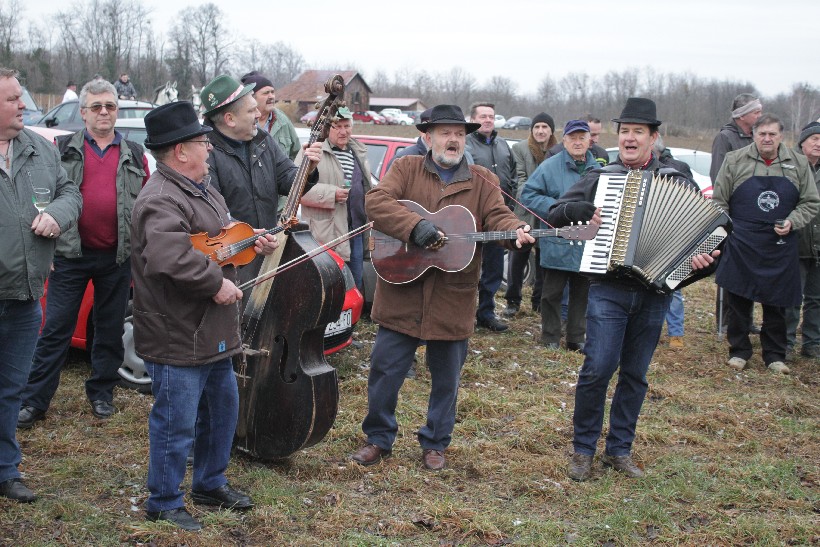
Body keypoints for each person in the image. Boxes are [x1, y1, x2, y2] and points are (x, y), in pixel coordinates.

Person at [350, 104, 534, 471]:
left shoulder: (483, 180)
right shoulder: (405, 168)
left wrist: (515, 232)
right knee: (385, 372)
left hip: (453, 296)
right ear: (427, 137)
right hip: (402, 289)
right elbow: (376, 201)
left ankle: (435, 442)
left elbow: (498, 216)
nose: (453, 140)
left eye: (459, 134)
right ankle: (378, 438)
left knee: (446, 379)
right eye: (445, 132)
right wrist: (414, 226)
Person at [547, 98, 718, 481]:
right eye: (624, 131)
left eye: (638, 132)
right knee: (598, 368)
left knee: (636, 375)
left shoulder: (677, 179)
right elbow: (557, 212)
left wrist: (701, 263)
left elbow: (706, 241)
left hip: (655, 293)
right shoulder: (600, 177)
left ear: (653, 138)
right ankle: (583, 450)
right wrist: (581, 212)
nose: (629, 138)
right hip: (608, 287)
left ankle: (619, 450)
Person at [132, 101, 282, 531]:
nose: (209, 149)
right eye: (202, 142)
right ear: (181, 151)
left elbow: (219, 238)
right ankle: (163, 500)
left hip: (213, 330)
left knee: (222, 411)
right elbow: (170, 258)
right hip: (177, 332)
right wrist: (215, 285)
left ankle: (209, 483)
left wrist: (253, 240)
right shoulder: (160, 198)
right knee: (175, 421)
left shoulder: (203, 188)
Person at [18, 79, 150, 429]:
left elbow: (147, 206)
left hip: (117, 258)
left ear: (116, 110)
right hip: (70, 255)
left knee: (108, 332)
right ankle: (35, 401)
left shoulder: (135, 154)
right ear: (84, 112)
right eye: (96, 107)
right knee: (56, 329)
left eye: (109, 106)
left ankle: (102, 393)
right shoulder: (62, 149)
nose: (104, 112)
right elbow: (43, 196)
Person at [0, 67, 82, 502]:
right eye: (13, 99)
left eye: (21, 98)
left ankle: (5, 469)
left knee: (11, 388)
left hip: (26, 295)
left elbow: (71, 192)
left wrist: (60, 215)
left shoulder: (39, 148)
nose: (24, 107)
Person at [713, 114, 820, 374]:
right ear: (754, 135)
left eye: (772, 134)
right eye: (762, 134)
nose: (767, 138)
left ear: (781, 136)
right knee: (738, 300)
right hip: (742, 242)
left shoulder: (797, 163)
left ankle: (775, 355)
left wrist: (793, 222)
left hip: (780, 245)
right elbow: (718, 201)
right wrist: (729, 232)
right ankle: (739, 351)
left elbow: (810, 202)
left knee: (777, 304)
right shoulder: (735, 160)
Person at [200, 74, 322, 284]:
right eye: (251, 110)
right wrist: (252, 239)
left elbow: (289, 182)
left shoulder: (264, 141)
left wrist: (307, 170)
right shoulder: (205, 154)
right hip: (229, 267)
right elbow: (212, 216)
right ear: (230, 119)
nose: (259, 114)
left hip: (267, 258)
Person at [521, 120, 598, 351]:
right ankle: (550, 336)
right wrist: (558, 208)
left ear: (589, 141)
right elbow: (528, 195)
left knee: (581, 292)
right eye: (572, 138)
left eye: (581, 138)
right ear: (564, 141)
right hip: (557, 239)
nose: (577, 142)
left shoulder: (598, 170)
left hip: (586, 241)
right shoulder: (549, 166)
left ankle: (576, 337)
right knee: (551, 293)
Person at [298, 107, 371, 292]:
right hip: (325, 233)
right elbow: (296, 191)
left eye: (347, 126)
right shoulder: (313, 151)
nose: (343, 131)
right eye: (337, 126)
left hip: (355, 231)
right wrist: (331, 194)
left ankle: (351, 320)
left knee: (353, 285)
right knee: (329, 287)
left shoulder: (358, 152)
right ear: (327, 129)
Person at [711, 93, 763, 334]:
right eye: (757, 112)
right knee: (731, 266)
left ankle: (746, 320)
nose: (760, 116)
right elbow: (719, 176)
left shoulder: (756, 138)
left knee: (749, 267)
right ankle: (726, 320)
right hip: (734, 213)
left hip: (755, 212)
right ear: (742, 116)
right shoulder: (725, 138)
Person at [466, 102, 516, 332]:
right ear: (473, 119)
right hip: (473, 219)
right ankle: (465, 315)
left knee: (494, 269)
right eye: (483, 116)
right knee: (469, 268)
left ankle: (486, 312)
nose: (488, 120)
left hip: (499, 218)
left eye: (491, 116)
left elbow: (513, 176)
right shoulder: (466, 145)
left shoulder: (504, 145)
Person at [504, 112, 556, 317]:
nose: (541, 131)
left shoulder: (557, 151)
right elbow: (520, 180)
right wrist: (538, 197)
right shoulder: (519, 149)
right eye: (537, 127)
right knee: (518, 257)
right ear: (532, 130)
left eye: (545, 127)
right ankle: (512, 300)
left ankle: (539, 301)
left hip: (548, 214)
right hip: (524, 211)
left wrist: (548, 203)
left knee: (544, 259)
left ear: (551, 130)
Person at [653, 134, 692, 349]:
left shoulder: (678, 168)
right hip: (651, 234)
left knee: (673, 287)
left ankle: (676, 333)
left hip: (673, 234)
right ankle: (651, 329)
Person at [787, 122, 820, 359]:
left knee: (816, 299)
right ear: (803, 143)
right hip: (795, 243)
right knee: (791, 298)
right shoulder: (791, 167)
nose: (819, 144)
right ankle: (786, 342)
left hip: (818, 246)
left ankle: (812, 343)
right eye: (814, 139)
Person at [240, 71, 301, 161]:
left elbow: (297, 154)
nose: (271, 96)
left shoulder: (283, 120)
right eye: (266, 93)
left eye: (272, 92)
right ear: (252, 97)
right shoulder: (241, 121)